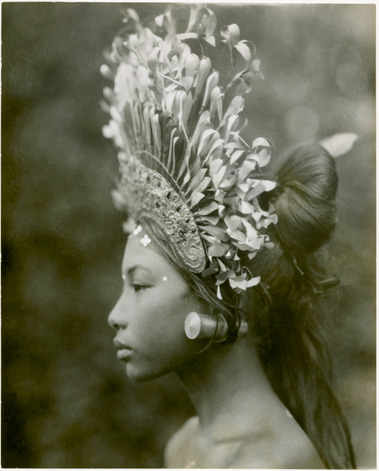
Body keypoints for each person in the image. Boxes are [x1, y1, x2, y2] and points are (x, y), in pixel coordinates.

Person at [102, 5, 356, 469]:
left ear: (213, 297)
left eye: (139, 286)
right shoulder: (183, 448)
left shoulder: (275, 464)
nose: (115, 315)